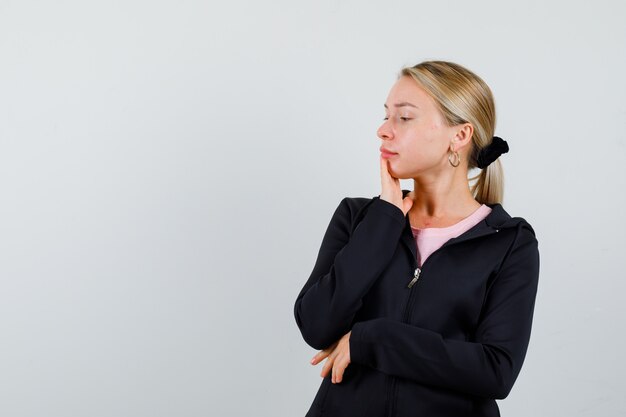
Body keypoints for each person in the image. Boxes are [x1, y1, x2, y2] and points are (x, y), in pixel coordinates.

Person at [293, 60, 540, 417]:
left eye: (403, 118)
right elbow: (316, 325)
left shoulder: (509, 242)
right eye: (385, 115)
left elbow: (495, 371)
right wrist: (384, 221)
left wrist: (372, 340)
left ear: (459, 135)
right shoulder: (358, 218)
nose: (383, 130)